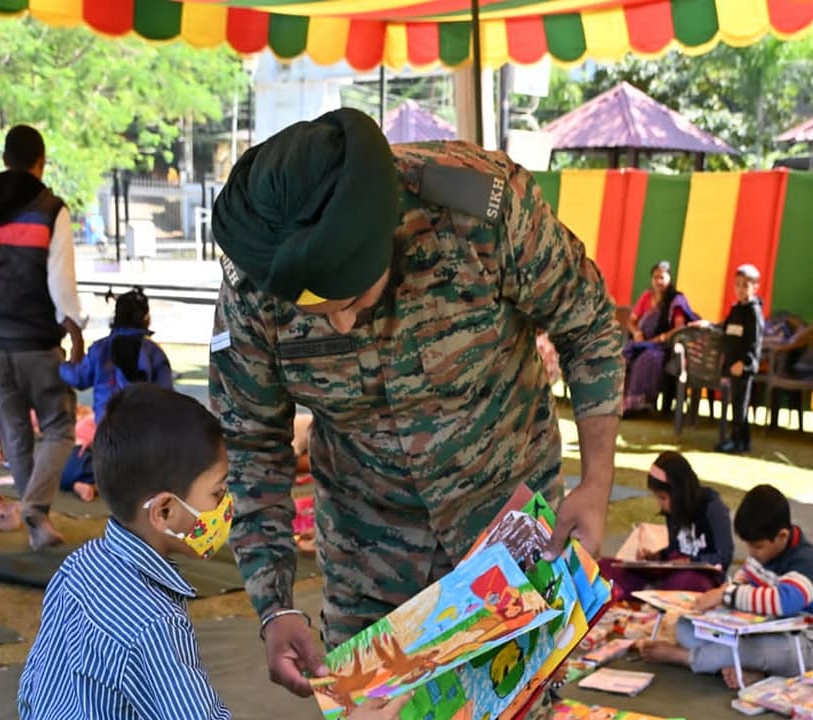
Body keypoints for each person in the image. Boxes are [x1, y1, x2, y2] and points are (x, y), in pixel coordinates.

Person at [208, 108, 622, 700]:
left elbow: (591, 328)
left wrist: (597, 481)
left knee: (521, 707)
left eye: (352, 297)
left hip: (506, 539)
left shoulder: (481, 210)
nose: (344, 322)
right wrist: (274, 607)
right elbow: (252, 447)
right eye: (319, 315)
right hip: (368, 561)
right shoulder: (255, 285)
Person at [17, 385, 409, 720]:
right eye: (217, 493)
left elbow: (35, 687)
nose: (227, 507)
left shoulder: (79, 568)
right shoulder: (155, 626)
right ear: (165, 511)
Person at [0, 124, 85, 550]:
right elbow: (61, 283)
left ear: (5, 159)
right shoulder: (50, 209)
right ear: (40, 163)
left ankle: (36, 524)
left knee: (15, 434)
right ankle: (35, 509)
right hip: (37, 343)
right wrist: (76, 333)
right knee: (60, 425)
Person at [635, 484, 813, 689]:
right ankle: (753, 672)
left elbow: (785, 602)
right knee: (686, 628)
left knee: (738, 649)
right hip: (761, 633)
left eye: (757, 546)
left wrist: (727, 594)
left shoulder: (807, 560)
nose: (753, 552)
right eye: (749, 546)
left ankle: (685, 658)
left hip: (806, 645)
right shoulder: (764, 553)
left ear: (782, 536)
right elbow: (745, 577)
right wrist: (720, 606)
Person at [58, 287, 173, 503]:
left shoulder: (100, 349)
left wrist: (62, 366)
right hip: (146, 443)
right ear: (145, 319)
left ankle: (92, 480)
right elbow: (168, 399)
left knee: (67, 470)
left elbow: (78, 379)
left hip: (109, 439)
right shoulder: (153, 352)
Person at [598, 451, 732, 600]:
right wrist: (657, 556)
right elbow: (676, 549)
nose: (660, 504)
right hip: (672, 573)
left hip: (700, 578)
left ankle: (650, 592)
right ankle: (651, 591)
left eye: (663, 498)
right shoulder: (673, 511)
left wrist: (691, 562)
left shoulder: (712, 507)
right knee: (605, 566)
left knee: (687, 582)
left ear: (679, 492)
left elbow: (725, 555)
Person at [700, 263, 765, 454]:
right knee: (736, 402)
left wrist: (745, 362)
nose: (740, 289)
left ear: (755, 287)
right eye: (737, 284)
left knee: (740, 404)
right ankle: (741, 440)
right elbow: (725, 328)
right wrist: (708, 325)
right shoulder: (736, 308)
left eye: (746, 285)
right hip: (732, 364)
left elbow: (755, 341)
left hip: (742, 366)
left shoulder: (754, 311)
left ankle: (739, 440)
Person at [622, 261, 698, 415]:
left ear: (669, 278)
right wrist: (637, 333)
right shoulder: (646, 297)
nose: (658, 281)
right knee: (623, 356)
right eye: (655, 277)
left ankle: (637, 405)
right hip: (642, 343)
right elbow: (631, 321)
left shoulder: (676, 300)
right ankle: (617, 403)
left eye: (662, 277)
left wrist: (659, 339)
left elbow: (679, 329)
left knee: (649, 358)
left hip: (665, 347)